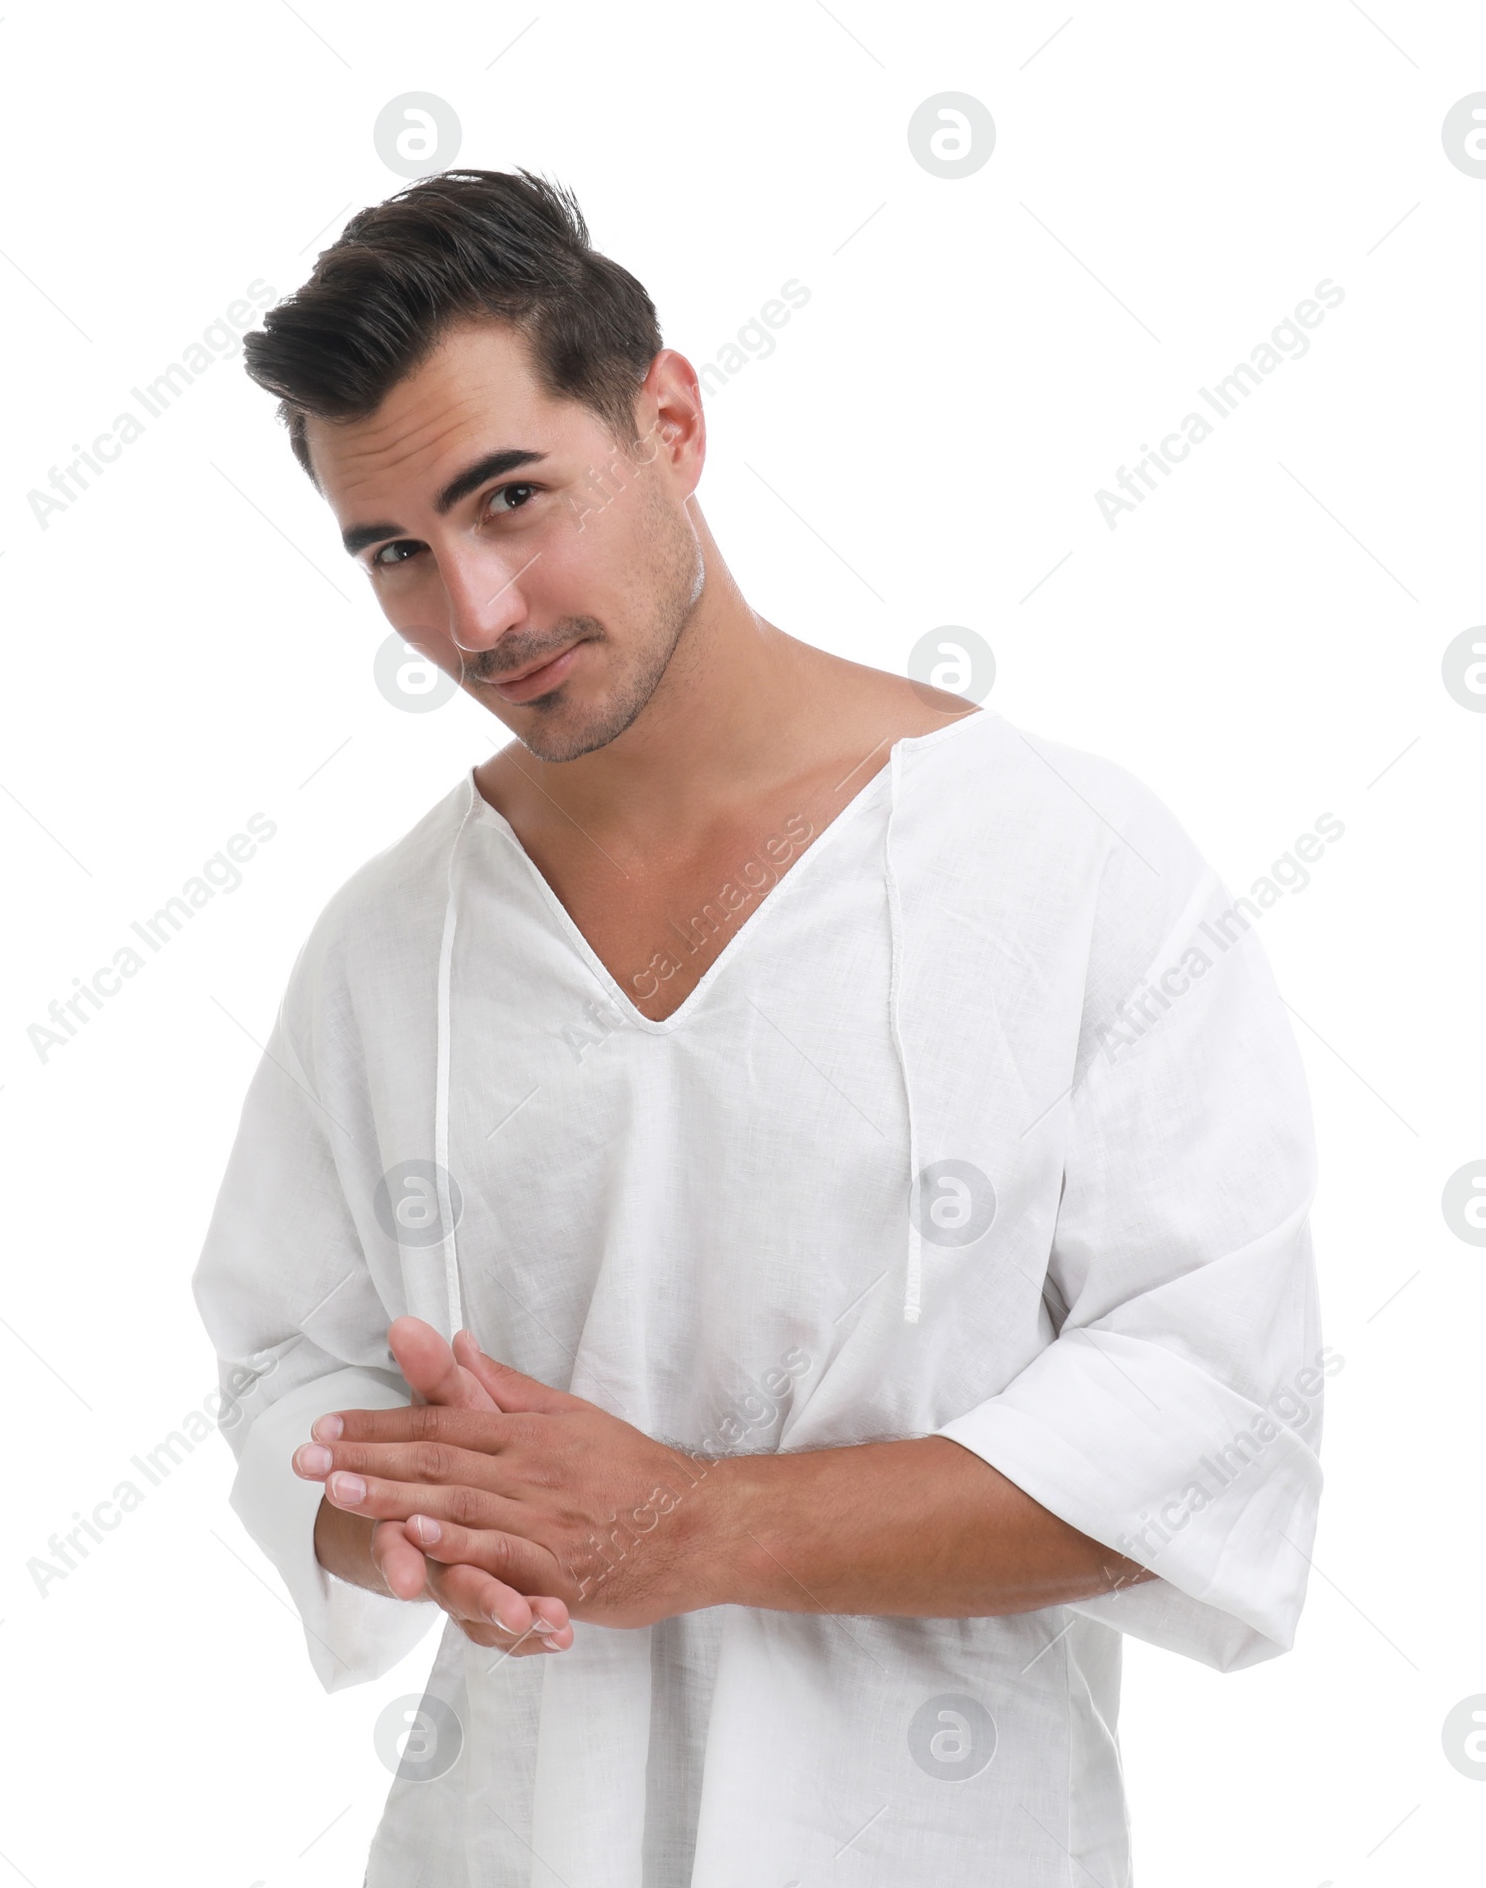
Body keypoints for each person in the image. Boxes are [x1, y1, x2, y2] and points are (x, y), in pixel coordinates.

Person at [193, 169, 1324, 1888]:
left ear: (670, 419)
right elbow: (287, 1359)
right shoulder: (387, 946)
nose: (474, 617)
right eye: (397, 552)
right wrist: (410, 1517)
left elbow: (1213, 1406)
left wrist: (695, 1528)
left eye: (513, 498)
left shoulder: (1066, 869)